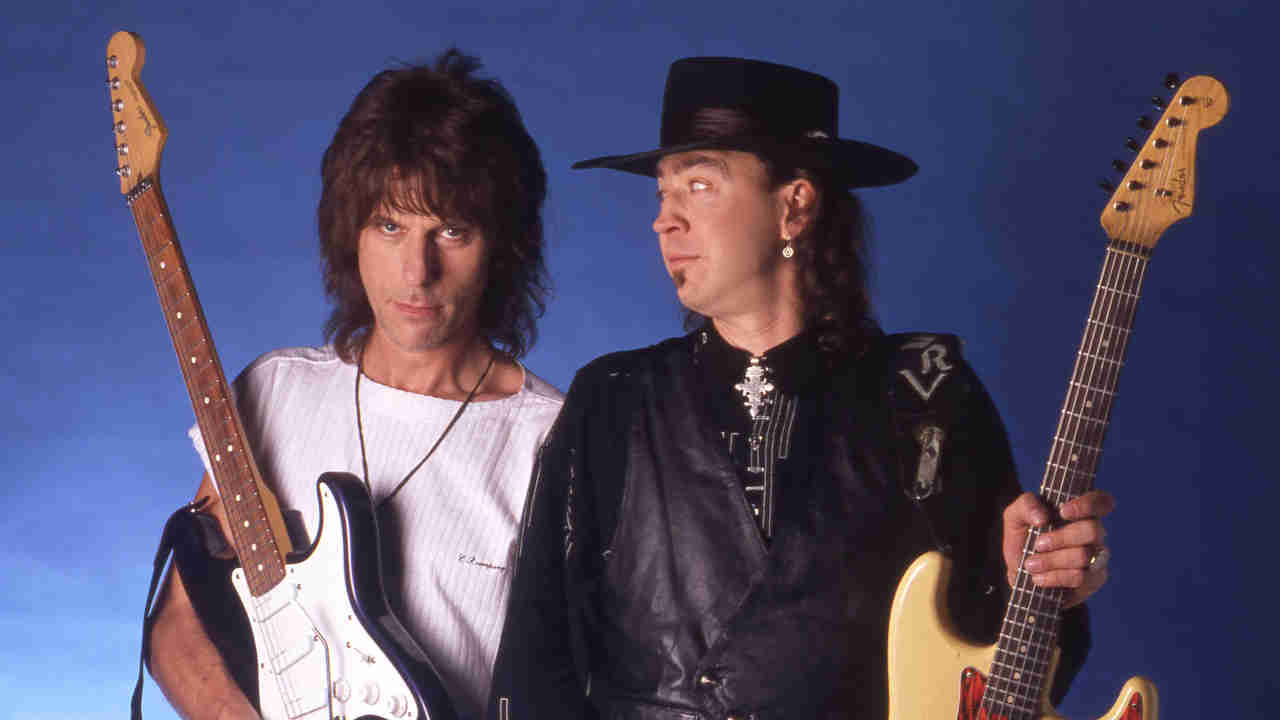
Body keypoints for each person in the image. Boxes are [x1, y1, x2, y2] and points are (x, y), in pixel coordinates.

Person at [487, 57, 1113, 720]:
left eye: (698, 186)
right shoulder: (612, 397)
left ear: (795, 205)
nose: (664, 221)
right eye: (662, 194)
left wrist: (1042, 586)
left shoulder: (926, 392)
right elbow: (536, 655)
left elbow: (993, 675)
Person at [145, 50, 563, 720]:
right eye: (389, 225)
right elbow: (177, 632)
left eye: (451, 230)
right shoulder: (274, 392)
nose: (415, 270)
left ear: (503, 244)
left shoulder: (556, 441)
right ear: (351, 233)